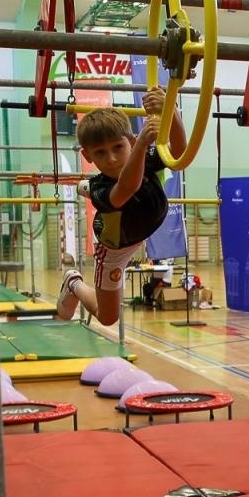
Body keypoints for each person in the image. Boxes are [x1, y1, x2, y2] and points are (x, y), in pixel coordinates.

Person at [55, 88, 184, 327]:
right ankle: (73, 281)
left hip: (138, 232)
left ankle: (79, 186)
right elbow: (127, 188)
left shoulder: (144, 154)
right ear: (88, 155)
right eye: (100, 153)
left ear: (130, 141)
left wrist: (171, 112)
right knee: (108, 317)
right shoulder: (101, 187)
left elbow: (179, 153)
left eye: (118, 147)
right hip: (114, 247)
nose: (112, 158)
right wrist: (141, 147)